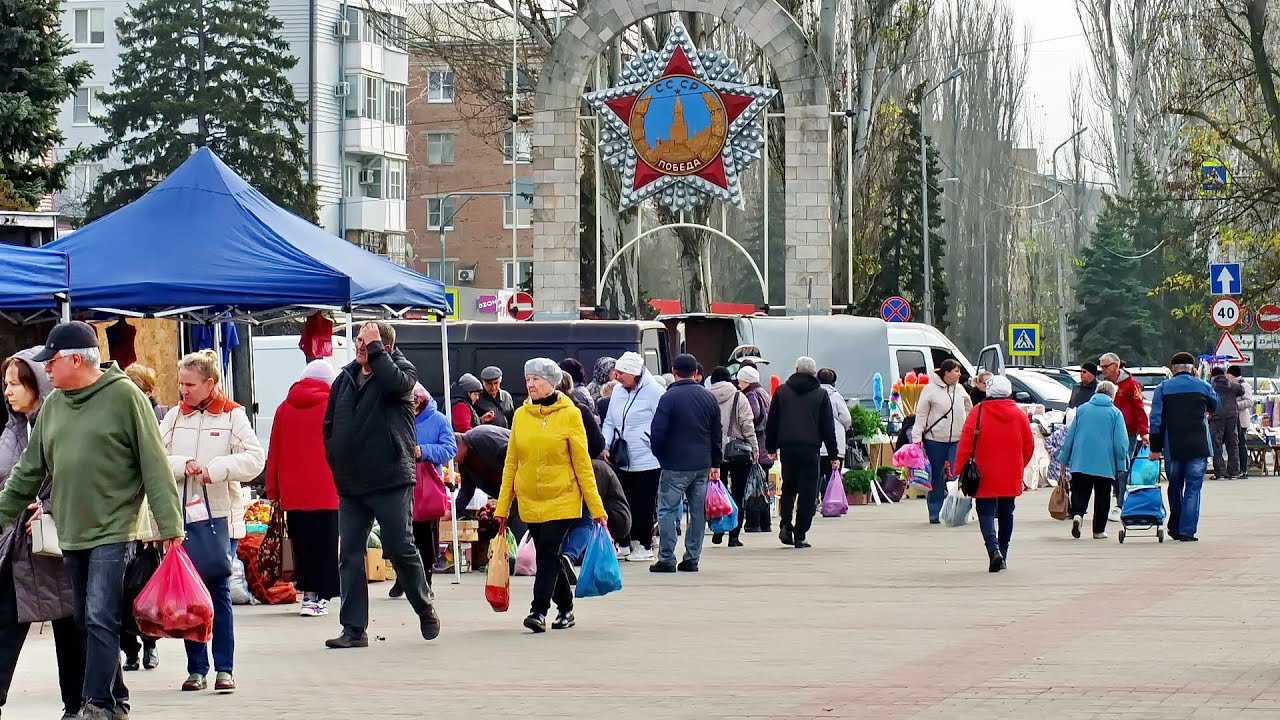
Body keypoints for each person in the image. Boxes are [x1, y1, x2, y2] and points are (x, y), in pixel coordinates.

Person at [0, 321, 184, 720]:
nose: (46, 369)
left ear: (76, 360)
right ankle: (116, 699)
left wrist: (170, 525)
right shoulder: (54, 406)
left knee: (101, 614)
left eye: (52, 361)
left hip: (114, 528)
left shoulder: (124, 397)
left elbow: (154, 463)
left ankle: (96, 704)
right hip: (71, 530)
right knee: (86, 618)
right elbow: (27, 473)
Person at [323, 321, 440, 649]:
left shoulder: (401, 372)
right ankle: (354, 629)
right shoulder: (345, 378)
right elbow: (329, 423)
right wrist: (335, 456)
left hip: (390, 476)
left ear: (384, 347)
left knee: (399, 545)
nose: (360, 345)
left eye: (367, 341)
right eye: (359, 340)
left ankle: (424, 605)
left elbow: (397, 383)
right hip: (351, 481)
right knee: (349, 553)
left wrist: (377, 352)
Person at [160, 349, 266, 693]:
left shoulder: (233, 416)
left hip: (219, 517)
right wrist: (181, 464)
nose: (183, 391)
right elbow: (155, 456)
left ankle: (224, 668)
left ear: (210, 383)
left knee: (218, 589)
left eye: (190, 384)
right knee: (190, 594)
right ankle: (196, 668)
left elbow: (254, 460)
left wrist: (216, 470)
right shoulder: (174, 416)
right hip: (183, 519)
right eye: (180, 384)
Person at [0, 349, 84, 719]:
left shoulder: (61, 425)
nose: (8, 391)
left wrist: (49, 506)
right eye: (5, 384)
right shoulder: (9, 431)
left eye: (16, 383)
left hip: (59, 543)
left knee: (73, 626)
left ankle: (81, 704)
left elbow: (78, 476)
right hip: (15, 545)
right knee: (4, 620)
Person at [495, 359, 606, 633]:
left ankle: (538, 610)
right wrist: (502, 507)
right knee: (551, 555)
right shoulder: (520, 416)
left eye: (536, 379)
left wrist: (597, 508)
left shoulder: (570, 414)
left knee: (546, 552)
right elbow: (512, 462)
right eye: (527, 379)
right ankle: (566, 608)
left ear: (552, 382)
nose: (530, 384)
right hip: (530, 500)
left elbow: (582, 464)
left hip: (562, 498)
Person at [265, 360, 341, 618]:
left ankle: (308, 595)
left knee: (302, 544)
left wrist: (273, 490)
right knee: (326, 544)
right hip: (327, 489)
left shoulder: (283, 409)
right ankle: (323, 595)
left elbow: (273, 451)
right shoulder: (333, 406)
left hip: (293, 491)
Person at [649, 354, 722, 572]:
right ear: (695, 372)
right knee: (697, 511)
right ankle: (692, 557)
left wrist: (660, 456)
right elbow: (716, 434)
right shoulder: (709, 398)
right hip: (702, 464)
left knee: (668, 511)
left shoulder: (669, 398)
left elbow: (658, 432)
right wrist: (715, 463)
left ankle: (667, 558)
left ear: (674, 371)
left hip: (674, 464)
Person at [953, 376, 1034, 572]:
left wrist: (958, 468)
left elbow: (966, 443)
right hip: (1010, 471)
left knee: (986, 512)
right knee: (1007, 512)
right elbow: (1029, 445)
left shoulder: (977, 412)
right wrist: (1020, 465)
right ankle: (1003, 553)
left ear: (988, 391)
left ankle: (993, 549)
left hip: (983, 472)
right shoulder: (1018, 414)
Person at [765, 357, 839, 549]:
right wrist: (833, 454)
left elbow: (772, 423)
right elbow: (827, 427)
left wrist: (771, 448)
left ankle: (785, 524)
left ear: (796, 369)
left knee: (788, 487)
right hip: (810, 449)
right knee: (808, 492)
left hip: (788, 448)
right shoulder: (821, 395)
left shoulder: (781, 392)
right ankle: (800, 533)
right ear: (813, 373)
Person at [390, 383, 456, 597]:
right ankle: (402, 576)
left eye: (416, 401)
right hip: (400, 482)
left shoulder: (438, 420)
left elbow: (450, 448)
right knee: (400, 534)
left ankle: (426, 579)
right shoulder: (397, 417)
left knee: (426, 537)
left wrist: (424, 451)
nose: (413, 406)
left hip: (427, 485)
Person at [121, 363, 165, 671]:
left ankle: (148, 644)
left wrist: (158, 524)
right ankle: (131, 650)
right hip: (124, 523)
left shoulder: (158, 418)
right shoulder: (119, 415)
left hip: (146, 524)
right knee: (122, 593)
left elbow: (157, 475)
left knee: (142, 589)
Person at [600, 351, 664, 562]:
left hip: (647, 458)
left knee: (643, 503)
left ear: (634, 373)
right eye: (616, 373)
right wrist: (605, 444)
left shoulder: (655, 391)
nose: (617, 377)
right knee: (621, 501)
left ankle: (644, 543)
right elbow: (609, 421)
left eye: (621, 373)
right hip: (620, 456)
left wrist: (653, 442)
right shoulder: (618, 391)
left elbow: (663, 422)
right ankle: (624, 541)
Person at [1148, 352, 1217, 541]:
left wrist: (1155, 447)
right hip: (1198, 445)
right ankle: (1187, 531)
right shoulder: (1203, 386)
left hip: (1173, 447)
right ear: (1193, 369)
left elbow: (1155, 420)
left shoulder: (1162, 388)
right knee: (1193, 488)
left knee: (1175, 486)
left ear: (1173, 369)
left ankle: (1175, 526)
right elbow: (1215, 405)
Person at [1057, 381, 1130, 540]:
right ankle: (1098, 530)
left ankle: (1077, 515)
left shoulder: (1082, 409)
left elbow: (1070, 435)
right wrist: (1121, 464)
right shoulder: (1115, 413)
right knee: (1103, 497)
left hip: (1080, 460)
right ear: (1112, 395)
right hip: (1105, 463)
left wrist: (1063, 458)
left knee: (1080, 491)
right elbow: (1120, 442)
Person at [911, 359, 972, 524]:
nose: (959, 374)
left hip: (957, 439)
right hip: (935, 440)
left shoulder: (960, 389)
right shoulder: (930, 390)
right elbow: (921, 414)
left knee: (959, 474)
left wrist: (968, 429)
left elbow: (969, 409)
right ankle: (935, 511)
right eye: (956, 371)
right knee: (936, 476)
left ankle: (960, 511)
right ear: (946, 373)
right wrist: (916, 439)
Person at [707, 366, 756, 547]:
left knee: (716, 491)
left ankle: (718, 529)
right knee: (738, 492)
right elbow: (747, 425)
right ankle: (734, 535)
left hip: (712, 451)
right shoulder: (739, 396)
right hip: (737, 451)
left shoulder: (705, 395)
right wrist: (754, 447)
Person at [1100, 353, 1148, 511]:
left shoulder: (1130, 384)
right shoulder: (1104, 385)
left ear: (1116, 366)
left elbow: (1139, 409)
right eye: (1101, 367)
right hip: (1107, 433)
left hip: (1128, 433)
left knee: (1123, 467)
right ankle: (1118, 494)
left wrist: (1144, 432)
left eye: (1105, 367)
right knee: (1110, 469)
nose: (1103, 370)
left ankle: (1121, 504)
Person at [737, 365, 773, 533]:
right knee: (762, 485)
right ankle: (765, 523)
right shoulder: (764, 393)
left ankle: (753, 522)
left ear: (746, 381)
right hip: (766, 444)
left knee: (752, 486)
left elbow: (753, 415)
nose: (738, 384)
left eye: (740, 381)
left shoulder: (751, 394)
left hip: (757, 444)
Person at [454, 424, 512, 525]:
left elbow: (510, 452)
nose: (451, 460)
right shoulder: (464, 462)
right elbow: (466, 491)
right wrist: (453, 513)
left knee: (519, 526)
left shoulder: (481, 437)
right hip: (506, 494)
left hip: (521, 486)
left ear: (457, 446)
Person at [817, 368, 852, 501]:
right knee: (833, 473)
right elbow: (846, 418)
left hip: (818, 444)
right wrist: (845, 428)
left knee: (817, 474)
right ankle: (830, 500)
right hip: (835, 442)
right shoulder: (837, 397)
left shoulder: (814, 394)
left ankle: (816, 499)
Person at [557, 371, 606, 459]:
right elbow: (597, 443)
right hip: (581, 461)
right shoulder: (580, 410)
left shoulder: (536, 410)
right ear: (570, 385)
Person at [1208, 366, 1244, 480]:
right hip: (1231, 417)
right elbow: (1242, 391)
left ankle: (1220, 473)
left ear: (1213, 376)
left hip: (1216, 417)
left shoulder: (1211, 387)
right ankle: (1234, 472)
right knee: (1232, 443)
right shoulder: (1232, 385)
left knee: (1216, 445)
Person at [1227, 365, 1253, 479]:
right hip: (1233, 419)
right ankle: (1236, 469)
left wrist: (1234, 406)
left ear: (1231, 374)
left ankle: (1243, 469)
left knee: (1241, 445)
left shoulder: (1244, 385)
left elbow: (1249, 401)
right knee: (1235, 445)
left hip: (1241, 420)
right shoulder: (1231, 385)